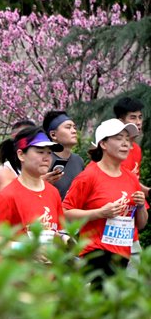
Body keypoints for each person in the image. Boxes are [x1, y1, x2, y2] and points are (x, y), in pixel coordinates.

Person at [63, 119, 148, 289]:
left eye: (127, 139)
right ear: (103, 144)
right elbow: (64, 212)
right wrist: (99, 213)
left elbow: (141, 224)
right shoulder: (89, 176)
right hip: (97, 253)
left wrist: (140, 206)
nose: (125, 143)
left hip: (124, 254)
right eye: (118, 138)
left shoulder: (131, 178)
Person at [0, 127, 67, 265]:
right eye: (40, 152)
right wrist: (27, 249)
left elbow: (55, 232)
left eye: (49, 153)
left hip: (47, 280)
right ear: (21, 155)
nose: (46, 157)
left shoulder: (53, 192)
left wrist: (63, 241)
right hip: (16, 280)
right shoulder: (9, 195)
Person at [0, 119, 35, 267]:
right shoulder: (4, 173)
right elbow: (14, 206)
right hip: (4, 245)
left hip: (27, 245)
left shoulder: (30, 172)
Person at [113, 97, 148, 272]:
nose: (139, 122)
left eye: (140, 117)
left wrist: (146, 191)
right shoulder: (115, 152)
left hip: (132, 224)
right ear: (121, 121)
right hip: (114, 228)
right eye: (133, 117)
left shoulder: (137, 149)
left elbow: (133, 181)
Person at [42, 111, 85, 199]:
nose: (74, 131)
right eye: (68, 127)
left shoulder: (78, 160)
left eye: (74, 127)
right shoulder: (44, 161)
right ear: (53, 135)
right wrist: (41, 183)